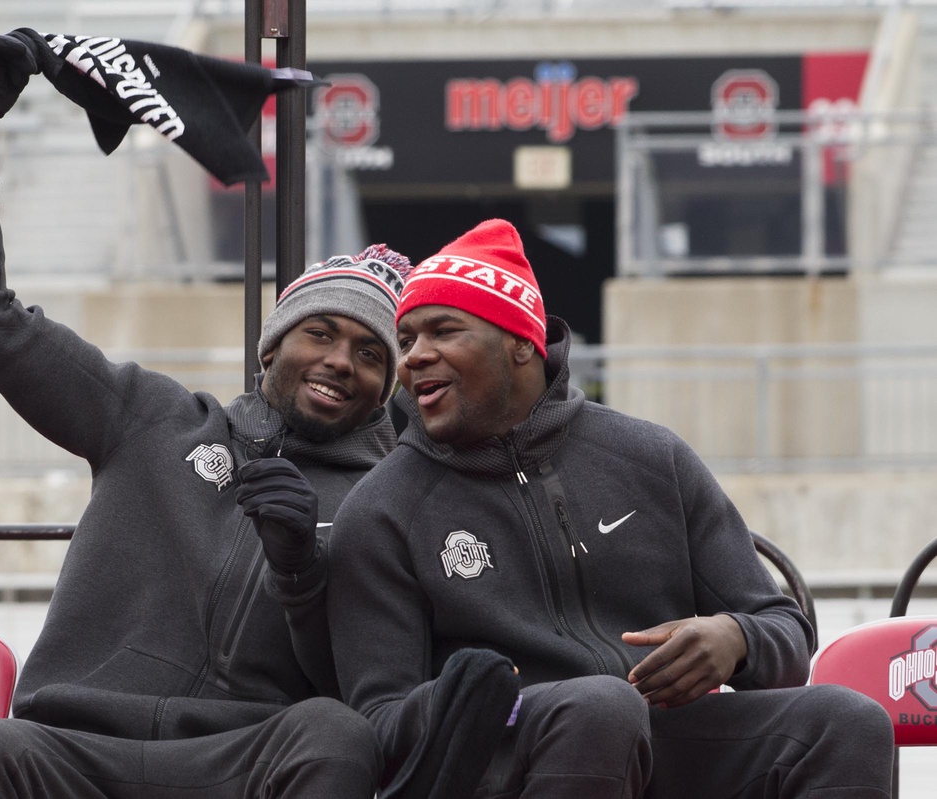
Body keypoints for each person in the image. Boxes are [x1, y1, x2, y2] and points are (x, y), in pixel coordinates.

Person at [0, 33, 412, 799]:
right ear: (271, 348)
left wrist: (301, 571)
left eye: (369, 354)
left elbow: (368, 688)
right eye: (319, 332)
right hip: (78, 745)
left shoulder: (387, 498)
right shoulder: (149, 417)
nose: (341, 361)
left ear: (386, 388)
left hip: (242, 758)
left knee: (335, 735)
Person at [326, 219, 896, 799]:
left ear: (521, 342)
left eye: (443, 330)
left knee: (846, 722)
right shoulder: (382, 509)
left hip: (665, 740)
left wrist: (735, 638)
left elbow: (787, 635)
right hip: (503, 762)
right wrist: (484, 700)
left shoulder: (651, 457)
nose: (415, 357)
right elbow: (379, 724)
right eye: (406, 341)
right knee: (601, 706)